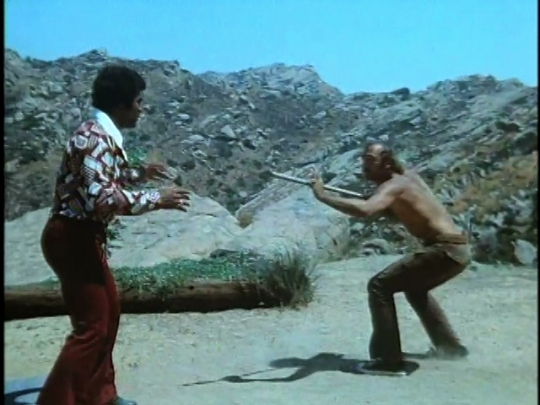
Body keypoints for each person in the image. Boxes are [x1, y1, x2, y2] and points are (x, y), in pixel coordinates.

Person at [37, 66, 190, 405]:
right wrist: (156, 198)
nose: (141, 109)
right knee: (92, 327)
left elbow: (103, 176)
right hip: (72, 238)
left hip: (82, 237)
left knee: (107, 315)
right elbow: (101, 198)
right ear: (121, 104)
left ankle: (100, 396)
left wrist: (139, 174)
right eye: (138, 101)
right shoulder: (95, 138)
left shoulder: (100, 136)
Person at [309, 143, 471, 375]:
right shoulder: (407, 179)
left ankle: (388, 361)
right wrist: (385, 206)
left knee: (379, 286)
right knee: (415, 289)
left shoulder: (393, 186)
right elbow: (410, 210)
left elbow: (365, 210)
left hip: (445, 250)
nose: (364, 165)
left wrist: (323, 195)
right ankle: (450, 348)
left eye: (370, 160)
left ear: (386, 163)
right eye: (363, 159)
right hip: (456, 250)